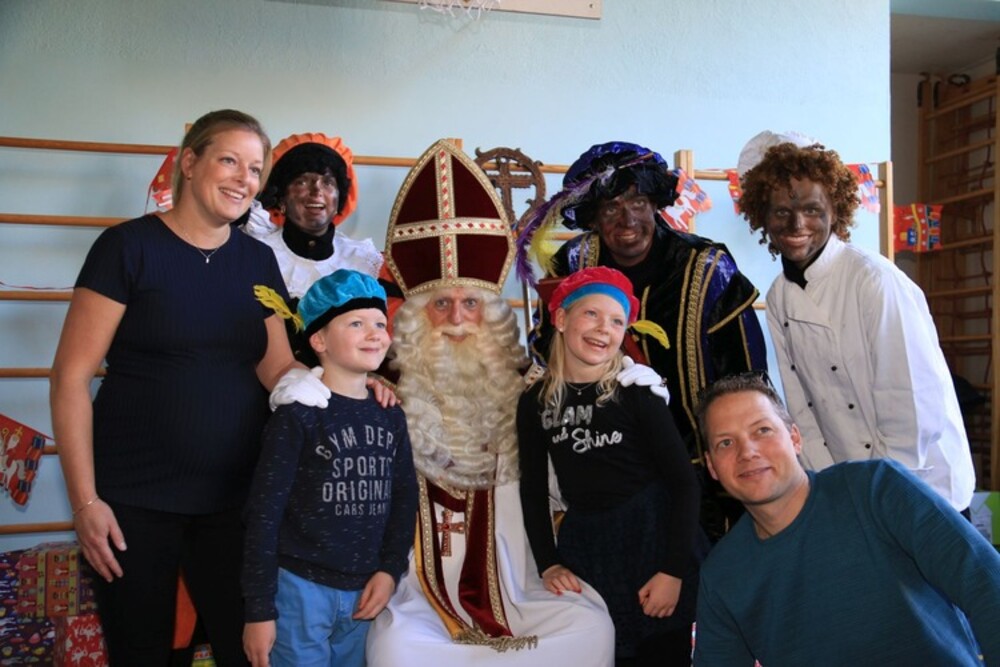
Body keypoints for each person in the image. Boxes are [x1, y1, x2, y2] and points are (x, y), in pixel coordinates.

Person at [49, 109, 328, 665]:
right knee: (143, 652)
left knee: (246, 650)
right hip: (134, 502)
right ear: (190, 162)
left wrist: (338, 389)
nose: (244, 179)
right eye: (229, 160)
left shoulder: (258, 260)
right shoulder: (126, 248)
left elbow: (275, 366)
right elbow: (70, 378)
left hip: (237, 502)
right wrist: (85, 502)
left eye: (255, 169)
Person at [365, 139, 616, 667]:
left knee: (590, 628)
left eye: (471, 303)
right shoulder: (383, 388)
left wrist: (625, 378)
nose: (457, 318)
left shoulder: (532, 385)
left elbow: (581, 455)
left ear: (493, 313)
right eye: (441, 303)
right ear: (416, 314)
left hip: (517, 585)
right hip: (420, 593)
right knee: (395, 650)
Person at [520, 141, 767, 539]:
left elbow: (746, 376)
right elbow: (548, 352)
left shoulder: (708, 268)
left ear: (655, 204)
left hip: (704, 473)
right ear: (593, 216)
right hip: (604, 468)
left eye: (637, 202)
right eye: (610, 208)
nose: (627, 219)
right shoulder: (572, 265)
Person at [737, 132, 976, 512]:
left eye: (812, 209)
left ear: (836, 210)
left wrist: (884, 488)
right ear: (762, 216)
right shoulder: (780, 294)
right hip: (849, 484)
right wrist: (827, 481)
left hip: (919, 484)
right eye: (781, 211)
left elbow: (911, 402)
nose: (797, 223)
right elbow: (801, 404)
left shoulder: (872, 279)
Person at [693, 373, 1000, 666]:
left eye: (762, 430)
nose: (747, 452)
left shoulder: (877, 489)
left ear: (795, 438)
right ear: (712, 466)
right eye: (726, 443)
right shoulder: (722, 574)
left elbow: (986, 582)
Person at [517, 266, 703, 666]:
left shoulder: (636, 391)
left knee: (662, 653)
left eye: (617, 321)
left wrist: (673, 571)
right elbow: (532, 489)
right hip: (590, 548)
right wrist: (548, 562)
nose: (604, 328)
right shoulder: (534, 402)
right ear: (561, 318)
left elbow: (684, 483)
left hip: (653, 540)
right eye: (592, 314)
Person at [241, 269, 418, 667]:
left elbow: (405, 499)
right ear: (319, 340)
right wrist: (259, 609)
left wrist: (390, 570)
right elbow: (264, 514)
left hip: (365, 592)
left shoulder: (391, 415)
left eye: (379, 323)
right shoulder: (297, 416)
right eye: (356, 324)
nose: (374, 333)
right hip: (299, 590)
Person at [241, 133, 383, 363]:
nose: (317, 191)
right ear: (281, 198)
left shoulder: (362, 260)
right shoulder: (256, 253)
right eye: (302, 182)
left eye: (328, 182)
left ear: (339, 199)